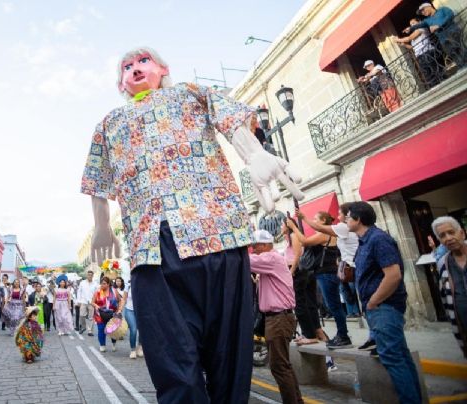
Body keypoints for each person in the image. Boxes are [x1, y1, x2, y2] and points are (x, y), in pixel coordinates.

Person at [81, 47, 306, 403]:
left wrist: (255, 154)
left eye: (143, 61)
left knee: (229, 360)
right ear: (120, 81)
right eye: (127, 66)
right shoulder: (109, 124)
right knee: (173, 366)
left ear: (163, 69)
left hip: (218, 236)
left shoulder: (189, 93)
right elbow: (98, 181)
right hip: (153, 253)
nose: (135, 68)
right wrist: (101, 227)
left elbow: (229, 119)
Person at [348, 202, 421, 403]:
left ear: (358, 219)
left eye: (347, 216)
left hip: (384, 307)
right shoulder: (365, 241)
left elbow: (393, 275)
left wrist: (373, 302)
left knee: (393, 358)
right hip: (379, 308)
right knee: (400, 356)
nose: (344, 220)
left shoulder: (378, 239)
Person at [249, 230, 303, 404]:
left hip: (279, 318)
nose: (253, 250)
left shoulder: (271, 258)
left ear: (265, 245)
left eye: (255, 246)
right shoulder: (272, 260)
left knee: (279, 366)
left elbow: (246, 261)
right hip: (278, 318)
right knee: (283, 365)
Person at [288, 212, 351, 349]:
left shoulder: (324, 234)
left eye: (316, 219)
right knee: (334, 305)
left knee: (334, 306)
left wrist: (294, 228)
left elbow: (304, 241)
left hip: (326, 273)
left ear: (323, 221)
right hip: (329, 272)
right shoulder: (330, 234)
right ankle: (341, 335)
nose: (314, 221)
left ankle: (343, 336)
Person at [433, 216, 467, 358]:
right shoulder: (442, 263)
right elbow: (445, 296)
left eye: (451, 232)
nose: (448, 238)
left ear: (462, 233)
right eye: (442, 236)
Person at [395, 18, 444, 89]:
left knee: (436, 72)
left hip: (427, 53)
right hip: (420, 56)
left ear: (419, 22)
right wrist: (404, 45)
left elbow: (409, 38)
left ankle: (443, 86)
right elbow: (413, 47)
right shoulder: (414, 34)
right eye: (411, 25)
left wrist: (397, 39)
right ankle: (436, 89)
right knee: (429, 77)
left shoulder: (421, 28)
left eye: (414, 23)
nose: (412, 26)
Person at [92, 276, 121, 352]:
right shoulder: (97, 292)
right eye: (101, 284)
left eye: (104, 283)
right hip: (100, 314)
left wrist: (119, 310)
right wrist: (96, 305)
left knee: (112, 330)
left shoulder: (114, 291)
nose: (102, 285)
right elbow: (92, 302)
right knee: (101, 329)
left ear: (108, 284)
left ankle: (114, 343)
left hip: (112, 314)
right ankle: (102, 345)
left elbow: (120, 300)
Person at [121, 282, 143, 359]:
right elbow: (124, 299)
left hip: (141, 311)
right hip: (129, 310)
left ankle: (140, 347)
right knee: (133, 329)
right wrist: (119, 310)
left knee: (142, 330)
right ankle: (133, 350)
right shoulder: (128, 285)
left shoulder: (144, 283)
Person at [77, 270, 98, 336]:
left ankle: (90, 331)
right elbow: (79, 292)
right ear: (87, 275)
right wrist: (78, 301)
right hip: (83, 301)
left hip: (91, 302)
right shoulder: (82, 283)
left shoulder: (95, 284)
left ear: (92, 276)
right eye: (88, 275)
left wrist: (95, 302)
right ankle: (83, 327)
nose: (89, 276)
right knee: (81, 315)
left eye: (91, 275)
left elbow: (97, 293)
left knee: (91, 317)